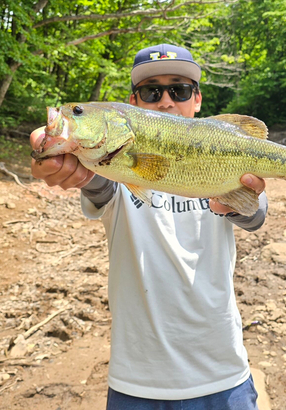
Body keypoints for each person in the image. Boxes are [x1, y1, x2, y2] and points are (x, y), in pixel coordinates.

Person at [31, 43, 268, 410]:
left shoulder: (224, 148)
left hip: (223, 376)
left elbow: (254, 214)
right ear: (132, 103)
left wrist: (236, 201)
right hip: (137, 384)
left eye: (180, 89)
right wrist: (60, 161)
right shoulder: (109, 170)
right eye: (151, 91)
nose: (167, 100)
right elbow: (96, 185)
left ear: (198, 99)